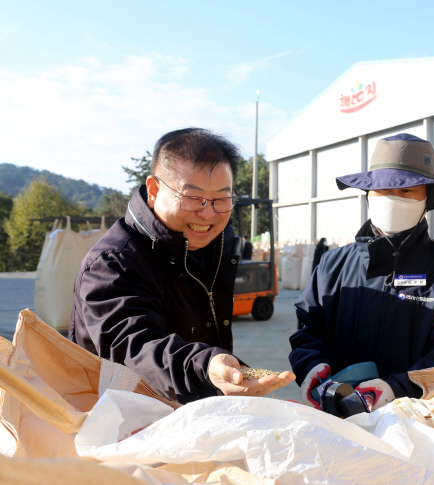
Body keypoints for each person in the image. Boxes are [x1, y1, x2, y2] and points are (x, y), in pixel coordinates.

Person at [69, 128, 294, 403]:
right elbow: (136, 346)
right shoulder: (112, 263)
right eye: (192, 197)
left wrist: (220, 375)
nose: (208, 213)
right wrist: (206, 367)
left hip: (188, 412)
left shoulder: (213, 245)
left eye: (221, 199)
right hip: (121, 422)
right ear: (154, 189)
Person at [290, 133, 434, 411]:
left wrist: (399, 388)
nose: (393, 198)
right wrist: (312, 366)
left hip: (423, 424)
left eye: (406, 191)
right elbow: (308, 330)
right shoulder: (331, 265)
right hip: (337, 418)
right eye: (383, 189)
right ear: (369, 194)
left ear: (426, 200)